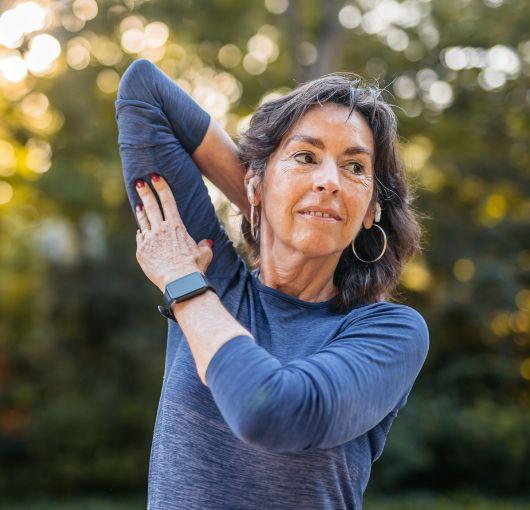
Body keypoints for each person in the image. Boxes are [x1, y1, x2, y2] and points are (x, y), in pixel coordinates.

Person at [115, 58, 429, 509]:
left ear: (371, 210)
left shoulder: (390, 332)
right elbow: (144, 91)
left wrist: (183, 284)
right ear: (255, 183)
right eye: (305, 157)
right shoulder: (216, 277)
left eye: (355, 167)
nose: (329, 181)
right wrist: (266, 202)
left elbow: (272, 411)